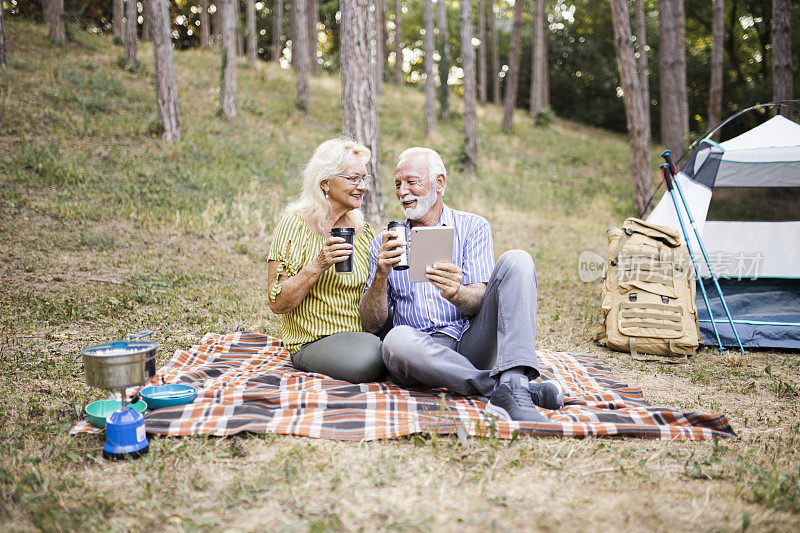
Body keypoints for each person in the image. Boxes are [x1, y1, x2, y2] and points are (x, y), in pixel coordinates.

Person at [360, 147, 563, 422]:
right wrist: (380, 275)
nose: (402, 191)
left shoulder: (473, 227)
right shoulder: (383, 244)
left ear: (439, 183)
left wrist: (456, 293)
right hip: (421, 353)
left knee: (518, 260)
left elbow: (479, 298)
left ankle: (513, 379)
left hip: (471, 341)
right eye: (397, 184)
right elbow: (372, 324)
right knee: (396, 340)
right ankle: (511, 390)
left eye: (411, 182)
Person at [267, 137, 385, 383]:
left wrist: (383, 272)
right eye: (354, 178)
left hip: (361, 333)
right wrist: (319, 264)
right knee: (374, 357)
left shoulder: (363, 232)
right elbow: (277, 303)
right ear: (325, 183)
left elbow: (372, 302)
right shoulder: (294, 225)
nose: (362, 186)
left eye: (364, 178)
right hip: (314, 341)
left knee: (410, 336)